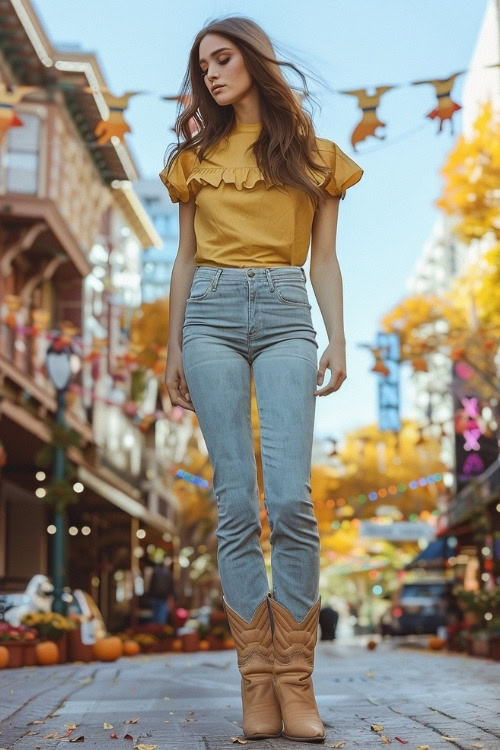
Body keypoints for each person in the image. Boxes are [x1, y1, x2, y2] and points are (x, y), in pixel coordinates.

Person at [161, 16, 364, 743]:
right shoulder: (195, 158)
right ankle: (257, 686)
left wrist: (338, 336)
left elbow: (325, 260)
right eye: (203, 66)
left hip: (285, 313)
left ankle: (296, 683)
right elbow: (183, 259)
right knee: (235, 504)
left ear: (255, 61)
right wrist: (170, 350)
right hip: (209, 316)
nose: (212, 75)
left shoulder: (315, 157)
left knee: (289, 498)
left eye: (223, 59)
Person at [145, 559, 175, 626]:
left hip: (157, 598)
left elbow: (150, 585)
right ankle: (158, 633)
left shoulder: (156, 571)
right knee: (160, 621)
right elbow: (171, 588)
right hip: (161, 599)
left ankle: (156, 633)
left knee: (156, 619)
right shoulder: (168, 573)